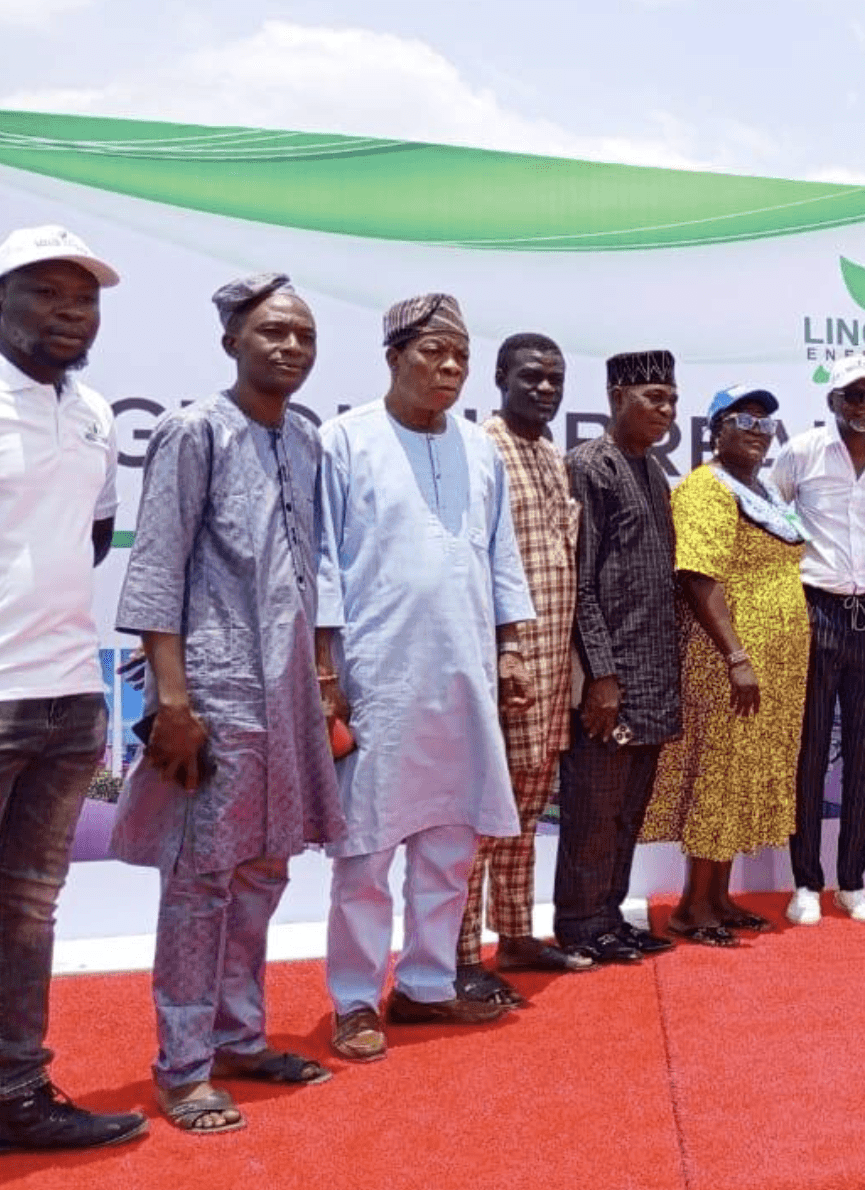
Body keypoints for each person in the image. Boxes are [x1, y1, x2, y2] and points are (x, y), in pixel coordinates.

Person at [107, 274, 346, 1133]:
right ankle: (181, 1067)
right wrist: (173, 701)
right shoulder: (191, 430)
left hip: (283, 694)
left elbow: (308, 576)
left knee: (268, 866)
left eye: (304, 336)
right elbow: (157, 565)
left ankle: (240, 1035)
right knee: (202, 878)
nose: (289, 347)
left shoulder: (307, 441)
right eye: (272, 332)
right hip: (211, 690)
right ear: (231, 342)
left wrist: (320, 683)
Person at [315, 293, 535, 1062]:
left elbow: (498, 554)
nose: (448, 367)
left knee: (450, 841)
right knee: (367, 852)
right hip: (378, 675)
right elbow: (320, 565)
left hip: (465, 673)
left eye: (460, 357)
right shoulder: (343, 441)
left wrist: (509, 648)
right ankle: (352, 999)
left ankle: (426, 985)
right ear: (393, 357)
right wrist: (323, 670)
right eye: (432, 352)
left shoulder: (480, 449)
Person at [0, 224, 147, 1151]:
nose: (69, 312)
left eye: (84, 298)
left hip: (66, 698)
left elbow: (93, 536)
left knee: (27, 909)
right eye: (47, 293)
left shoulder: (92, 409)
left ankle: (17, 1092)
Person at [644, 385, 809, 946]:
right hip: (730, 659)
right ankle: (692, 907)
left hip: (775, 659)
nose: (759, 430)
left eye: (767, 421)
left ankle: (719, 897)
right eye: (744, 419)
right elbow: (698, 577)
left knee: (741, 777)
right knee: (717, 773)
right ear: (717, 427)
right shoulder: (705, 488)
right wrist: (737, 656)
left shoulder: (760, 489)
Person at [457, 332, 593, 1005]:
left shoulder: (551, 455)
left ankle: (513, 935)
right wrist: (501, 655)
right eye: (532, 376)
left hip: (550, 664)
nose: (545, 388)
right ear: (500, 377)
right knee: (483, 813)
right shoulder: (480, 449)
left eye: (555, 378)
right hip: (501, 663)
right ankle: (457, 957)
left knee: (528, 808)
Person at [770, 357, 865, 926]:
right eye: (852, 396)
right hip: (815, 610)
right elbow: (770, 517)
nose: (863, 407)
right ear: (832, 402)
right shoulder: (802, 452)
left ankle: (852, 882)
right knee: (807, 755)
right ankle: (806, 881)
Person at [552, 351, 683, 964]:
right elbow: (578, 582)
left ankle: (611, 915)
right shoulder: (589, 467)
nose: (666, 409)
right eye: (654, 396)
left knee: (627, 812)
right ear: (615, 395)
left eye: (672, 399)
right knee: (592, 812)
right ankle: (580, 924)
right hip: (611, 681)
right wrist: (600, 675)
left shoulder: (654, 469)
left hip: (653, 677)